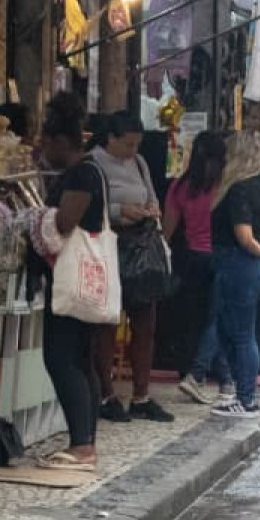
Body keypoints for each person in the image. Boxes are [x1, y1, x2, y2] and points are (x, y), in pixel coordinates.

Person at [35, 93, 107, 471]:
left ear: (62, 141)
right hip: (84, 280)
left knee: (62, 358)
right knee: (80, 358)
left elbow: (65, 223)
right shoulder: (91, 170)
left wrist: (36, 219)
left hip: (72, 278)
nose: (45, 151)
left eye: (47, 143)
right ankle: (85, 441)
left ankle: (82, 446)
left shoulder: (82, 174)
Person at [88, 111, 172, 423]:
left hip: (141, 247)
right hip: (110, 246)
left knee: (145, 323)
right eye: (127, 144)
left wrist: (151, 209)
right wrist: (121, 210)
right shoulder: (94, 163)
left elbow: (152, 195)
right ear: (110, 138)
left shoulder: (139, 163)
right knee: (107, 323)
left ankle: (141, 395)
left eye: (136, 145)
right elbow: (92, 205)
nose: (132, 150)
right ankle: (106, 393)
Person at [208, 132, 260, 418]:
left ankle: (246, 398)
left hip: (239, 263)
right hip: (254, 268)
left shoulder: (239, 189)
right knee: (237, 332)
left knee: (239, 334)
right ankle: (244, 394)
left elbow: (244, 236)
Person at [165, 130, 232, 405]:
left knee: (197, 319)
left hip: (191, 258)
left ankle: (209, 376)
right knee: (218, 319)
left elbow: (168, 229)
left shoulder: (180, 186)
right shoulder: (225, 186)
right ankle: (210, 376)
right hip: (220, 256)